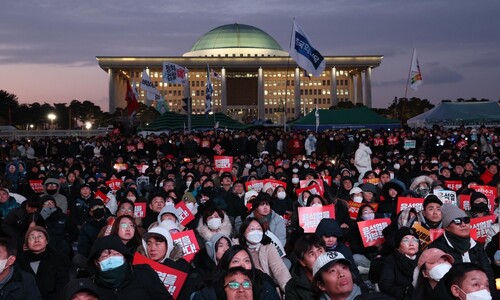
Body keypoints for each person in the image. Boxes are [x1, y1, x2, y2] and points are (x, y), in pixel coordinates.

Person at [428, 203, 496, 290]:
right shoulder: (437, 249)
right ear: (447, 227)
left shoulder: (477, 246)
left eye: (466, 220)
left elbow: (488, 274)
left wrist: (491, 296)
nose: (463, 224)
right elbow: (441, 283)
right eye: (457, 221)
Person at [87, 235, 171, 299]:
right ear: (96, 262)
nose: (111, 258)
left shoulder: (144, 273)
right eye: (105, 256)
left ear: (124, 256)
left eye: (116, 254)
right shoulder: (91, 288)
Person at [17, 226, 71, 300]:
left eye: (40, 236)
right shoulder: (19, 262)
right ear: (27, 244)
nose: (36, 240)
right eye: (32, 238)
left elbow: (62, 287)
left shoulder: (59, 258)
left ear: (46, 241)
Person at [238, 217, 291, 292]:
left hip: (265, 288)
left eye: (259, 229)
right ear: (243, 232)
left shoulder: (268, 247)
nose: (256, 232)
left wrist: (290, 291)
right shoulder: (237, 247)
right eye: (252, 229)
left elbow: (279, 269)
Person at [378, 227, 420, 300]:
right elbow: (385, 285)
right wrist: (405, 292)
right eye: (406, 240)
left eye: (414, 240)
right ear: (398, 245)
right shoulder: (391, 260)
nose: (411, 244)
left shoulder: (425, 257)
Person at [285, 234, 325, 300]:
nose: (318, 257)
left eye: (320, 251)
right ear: (302, 262)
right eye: (311, 254)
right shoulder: (293, 287)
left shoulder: (337, 275)